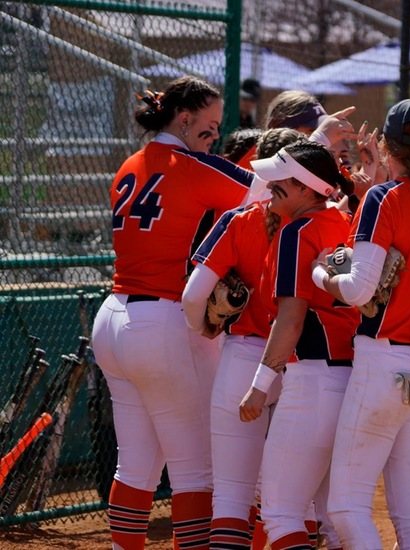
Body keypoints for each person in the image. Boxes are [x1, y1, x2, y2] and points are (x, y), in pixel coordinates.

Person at [90, 76, 254, 550]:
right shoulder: (187, 164)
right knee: (196, 471)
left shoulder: (129, 163)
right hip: (161, 320)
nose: (214, 135)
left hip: (114, 317)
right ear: (182, 118)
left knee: (135, 466)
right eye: (207, 125)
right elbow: (268, 193)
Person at [314, 98, 410, 549]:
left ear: (386, 144)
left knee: (345, 507)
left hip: (383, 365)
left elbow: (357, 291)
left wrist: (321, 273)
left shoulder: (383, 198)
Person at [181, 127, 304, 549]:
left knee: (231, 496)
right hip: (303, 364)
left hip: (244, 355)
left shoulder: (240, 220)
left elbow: (193, 294)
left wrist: (204, 328)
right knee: (294, 503)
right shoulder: (320, 222)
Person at [236, 140, 357, 550]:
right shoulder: (344, 223)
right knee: (335, 517)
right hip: (354, 378)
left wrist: (259, 385)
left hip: (314, 379)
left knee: (280, 511)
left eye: (281, 181)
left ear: (308, 189)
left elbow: (291, 316)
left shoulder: (297, 232)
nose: (270, 186)